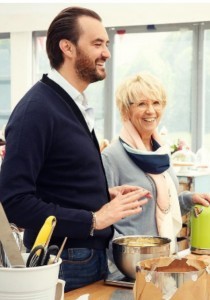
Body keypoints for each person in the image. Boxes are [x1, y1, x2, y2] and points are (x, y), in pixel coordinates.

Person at [0, 7, 151, 291]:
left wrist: (99, 195)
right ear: (67, 48)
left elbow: (56, 181)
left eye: (106, 44)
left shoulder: (69, 104)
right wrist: (95, 219)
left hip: (84, 257)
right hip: (65, 259)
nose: (106, 52)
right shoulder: (37, 110)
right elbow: (14, 202)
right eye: (97, 44)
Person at [101, 72, 210, 267]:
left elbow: (161, 205)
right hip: (129, 266)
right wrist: (125, 263)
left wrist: (189, 199)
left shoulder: (161, 152)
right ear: (125, 110)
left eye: (156, 103)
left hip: (164, 261)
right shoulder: (111, 157)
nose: (151, 110)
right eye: (141, 104)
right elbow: (102, 219)